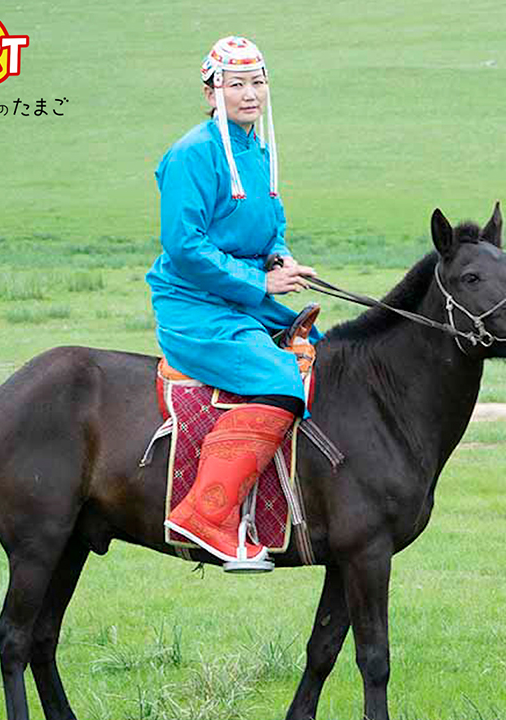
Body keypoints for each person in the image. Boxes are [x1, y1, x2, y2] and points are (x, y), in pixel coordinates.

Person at [147, 36, 319, 570]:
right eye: (236, 84)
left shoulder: (257, 150)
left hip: (243, 298)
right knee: (280, 376)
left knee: (318, 347)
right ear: (211, 93)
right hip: (196, 305)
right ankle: (206, 515)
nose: (250, 94)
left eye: (258, 82)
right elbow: (185, 246)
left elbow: (271, 226)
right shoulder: (191, 154)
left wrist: (280, 259)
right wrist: (260, 282)